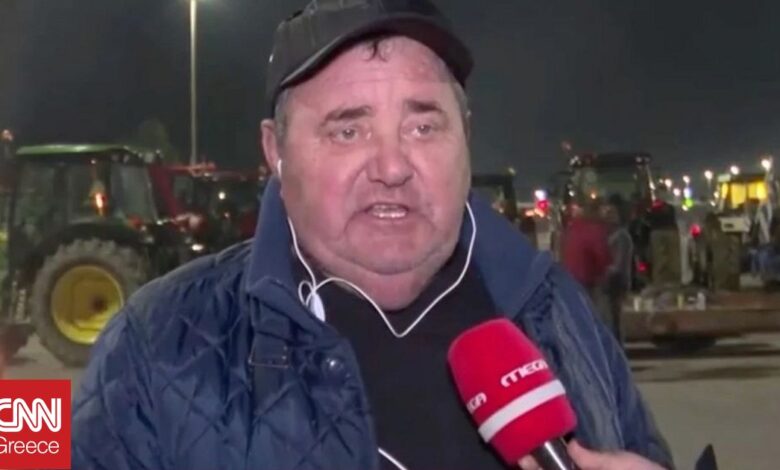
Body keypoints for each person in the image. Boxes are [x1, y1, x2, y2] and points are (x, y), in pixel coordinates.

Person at [71, 1, 673, 469]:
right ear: (276, 152)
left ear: (465, 136)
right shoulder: (151, 341)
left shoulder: (558, 311)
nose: (392, 166)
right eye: (347, 130)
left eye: (423, 126)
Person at [601, 195, 634, 344]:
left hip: (616, 282)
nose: (608, 217)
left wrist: (603, 273)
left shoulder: (621, 236)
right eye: (607, 213)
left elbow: (619, 263)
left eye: (612, 213)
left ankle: (617, 347)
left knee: (614, 318)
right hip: (609, 282)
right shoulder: (607, 234)